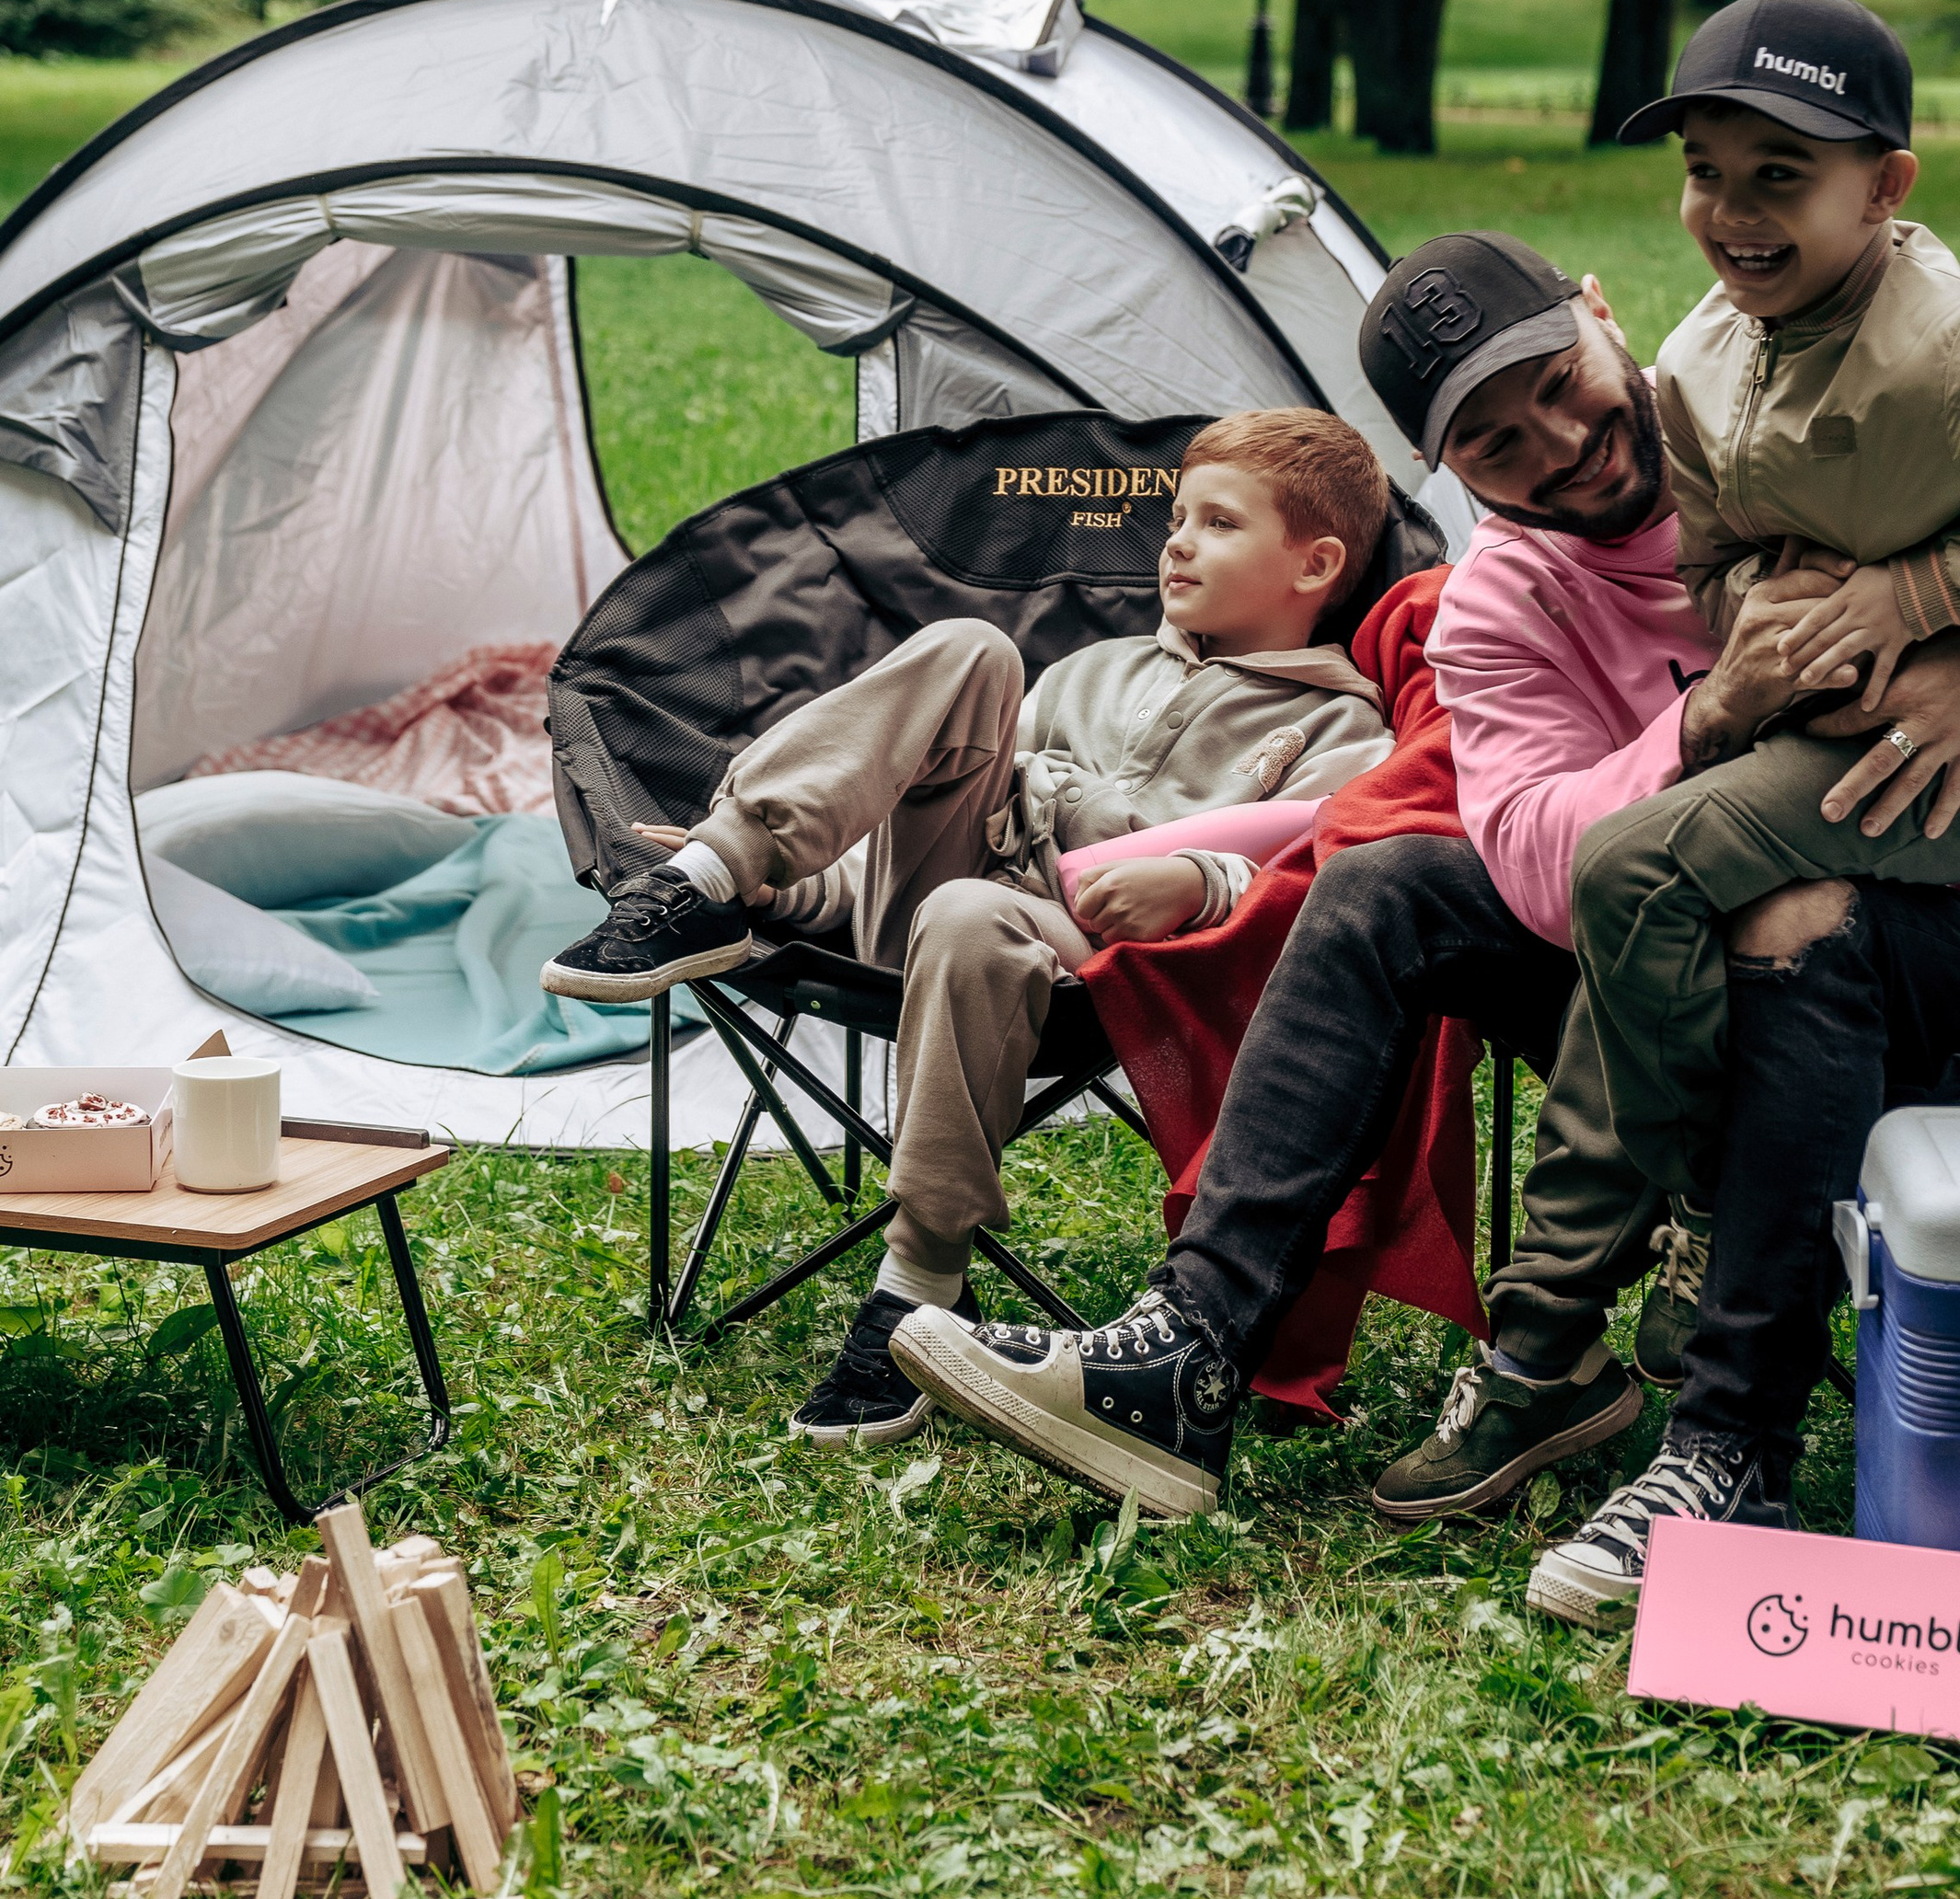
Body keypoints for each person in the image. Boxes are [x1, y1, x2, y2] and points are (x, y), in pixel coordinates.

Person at [895, 187, 1960, 1524]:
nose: (1558, 441)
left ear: (1604, 313)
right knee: (1392, 882)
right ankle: (1189, 1350)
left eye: (1557, 380)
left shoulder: (1794, 396)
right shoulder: (1503, 603)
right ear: (1450, 478)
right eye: (1497, 443)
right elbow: (1539, 869)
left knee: (1789, 901)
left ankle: (1726, 1442)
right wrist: (1710, 713)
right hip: (1693, 967)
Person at [541, 409, 1396, 1446]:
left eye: (1216, 523)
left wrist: (1201, 879)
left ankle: (920, 1280)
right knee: (972, 650)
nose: (1173, 540)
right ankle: (718, 873)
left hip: (1105, 982)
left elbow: (1319, 891)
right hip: (937, 920)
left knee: (970, 910)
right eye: (1176, 516)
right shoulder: (1088, 672)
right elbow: (928, 821)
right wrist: (791, 902)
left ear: (1315, 563)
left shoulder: (1343, 730)